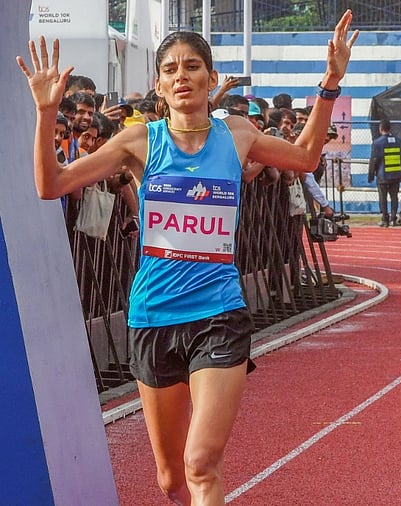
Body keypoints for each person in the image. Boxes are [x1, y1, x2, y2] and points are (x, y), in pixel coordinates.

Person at [18, 13, 358, 505]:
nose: (182, 76)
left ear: (211, 79)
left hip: (219, 315)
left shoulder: (237, 135)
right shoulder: (139, 142)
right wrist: (46, 113)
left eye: (193, 66)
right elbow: (52, 185)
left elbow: (305, 158)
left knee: (201, 464)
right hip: (153, 317)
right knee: (171, 479)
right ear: (159, 84)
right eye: (172, 68)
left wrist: (330, 83)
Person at [369, 118, 401, 226]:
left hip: (382, 175)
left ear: (381, 129)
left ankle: (385, 220)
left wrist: (371, 175)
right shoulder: (399, 141)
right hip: (396, 174)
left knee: (383, 198)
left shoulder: (377, 143)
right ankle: (393, 218)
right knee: (394, 197)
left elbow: (374, 160)